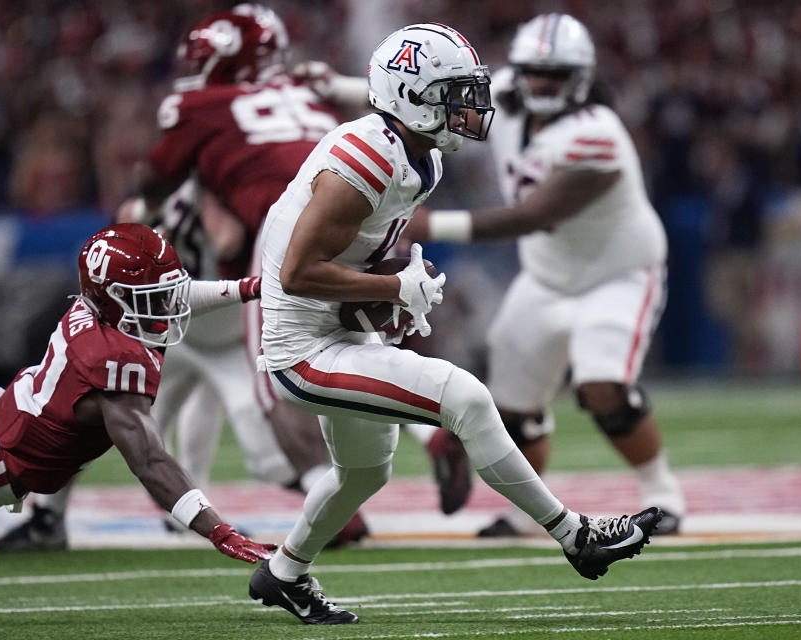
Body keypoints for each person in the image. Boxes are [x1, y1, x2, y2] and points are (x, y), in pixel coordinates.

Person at [246, 23, 664, 626]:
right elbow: (296, 273)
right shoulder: (363, 159)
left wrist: (386, 291)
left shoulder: (421, 155)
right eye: (454, 93)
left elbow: (348, 258)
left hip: (339, 327)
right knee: (464, 396)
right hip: (304, 345)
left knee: (365, 472)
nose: (470, 107)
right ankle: (577, 536)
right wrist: (393, 288)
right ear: (411, 96)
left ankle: (283, 573)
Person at [0, 4, 371, 551]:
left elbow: (207, 233)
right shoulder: (254, 151)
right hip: (179, 325)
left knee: (250, 450)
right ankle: (53, 517)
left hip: (208, 325)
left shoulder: (211, 167)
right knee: (110, 417)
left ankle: (329, 515)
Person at [408, 14, 685, 536]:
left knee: (604, 387)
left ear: (580, 77)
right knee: (509, 406)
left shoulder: (596, 133)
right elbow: (423, 91)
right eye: (534, 71)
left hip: (617, 275)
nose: (540, 84)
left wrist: (428, 222)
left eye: (553, 74)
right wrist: (341, 87)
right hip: (546, 276)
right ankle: (526, 512)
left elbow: (531, 215)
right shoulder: (507, 92)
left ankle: (662, 493)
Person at [0, 223, 275, 569]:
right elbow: (150, 462)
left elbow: (177, 295)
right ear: (111, 296)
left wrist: (251, 288)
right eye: (149, 296)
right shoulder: (112, 358)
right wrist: (219, 532)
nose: (163, 304)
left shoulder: (103, 310)